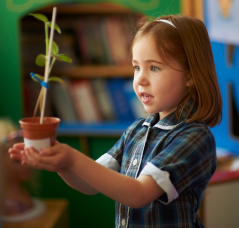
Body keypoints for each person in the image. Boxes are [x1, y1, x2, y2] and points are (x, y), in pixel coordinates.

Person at [9, 15, 223, 228]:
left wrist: (72, 158)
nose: (140, 79)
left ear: (190, 75)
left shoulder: (195, 137)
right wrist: (60, 162)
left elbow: (138, 193)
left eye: (154, 68)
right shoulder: (137, 130)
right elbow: (89, 183)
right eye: (136, 67)